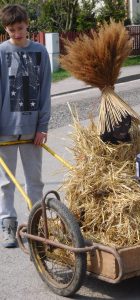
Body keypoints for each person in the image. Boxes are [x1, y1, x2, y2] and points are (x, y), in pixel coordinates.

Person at [0, 4, 51, 248]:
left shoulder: (40, 52)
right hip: (5, 129)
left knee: (35, 181)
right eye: (12, 30)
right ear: (5, 29)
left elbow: (45, 92)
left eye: (20, 28)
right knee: (6, 183)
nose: (17, 33)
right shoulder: (1, 52)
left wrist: (43, 127)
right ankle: (9, 226)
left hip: (32, 129)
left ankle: (37, 226)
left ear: (27, 24)